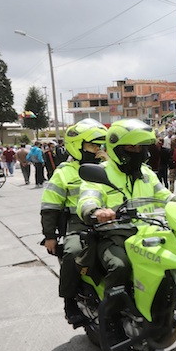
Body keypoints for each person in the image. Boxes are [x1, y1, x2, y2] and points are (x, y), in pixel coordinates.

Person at [77, 119, 176, 295]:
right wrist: (96, 211)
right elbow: (88, 197)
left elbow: (166, 196)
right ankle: (110, 315)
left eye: (140, 147)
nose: (137, 151)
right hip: (113, 236)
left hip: (149, 234)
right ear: (116, 148)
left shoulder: (146, 173)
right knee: (120, 265)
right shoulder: (102, 172)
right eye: (131, 147)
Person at [41, 119, 108, 327]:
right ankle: (70, 302)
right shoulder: (64, 172)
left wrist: (109, 162)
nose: (98, 150)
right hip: (78, 224)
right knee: (72, 253)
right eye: (93, 145)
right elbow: (50, 206)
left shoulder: (108, 166)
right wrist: (50, 236)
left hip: (110, 221)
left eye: (100, 145)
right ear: (77, 146)